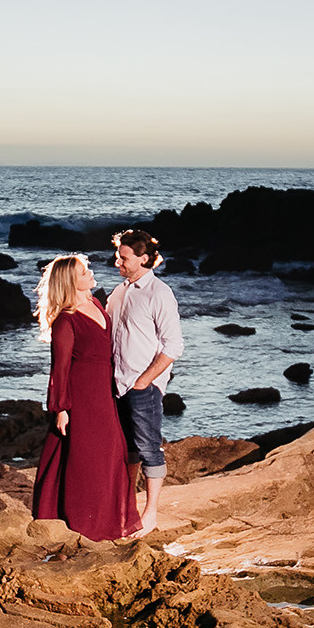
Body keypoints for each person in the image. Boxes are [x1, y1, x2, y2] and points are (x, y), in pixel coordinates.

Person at [28, 254, 140, 542]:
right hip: (82, 398)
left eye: (87, 268)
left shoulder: (95, 304)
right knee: (85, 463)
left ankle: (108, 527)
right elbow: (60, 368)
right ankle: (83, 529)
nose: (90, 273)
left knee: (111, 455)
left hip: (105, 393)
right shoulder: (66, 321)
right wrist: (61, 409)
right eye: (83, 271)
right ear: (70, 281)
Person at [105, 228, 184, 536]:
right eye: (117, 256)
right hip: (115, 385)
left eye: (123, 258)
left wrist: (145, 382)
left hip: (142, 387)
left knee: (149, 448)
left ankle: (150, 515)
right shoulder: (120, 291)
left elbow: (173, 346)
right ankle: (126, 507)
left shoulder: (159, 293)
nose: (117, 263)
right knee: (127, 450)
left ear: (144, 258)